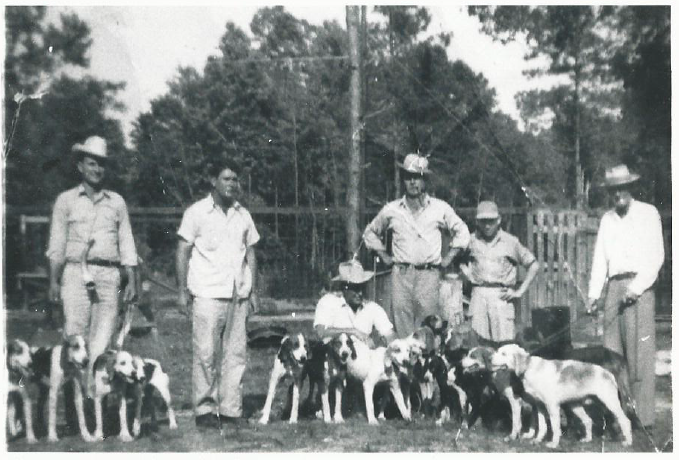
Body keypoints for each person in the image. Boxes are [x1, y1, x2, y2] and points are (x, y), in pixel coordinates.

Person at [47, 135, 138, 386]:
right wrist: (53, 281)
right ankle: (75, 399)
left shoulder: (116, 202)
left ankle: (95, 398)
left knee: (102, 339)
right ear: (80, 166)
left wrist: (131, 279)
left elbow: (127, 242)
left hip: (108, 275)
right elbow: (57, 245)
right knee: (75, 336)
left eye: (101, 164)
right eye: (92, 163)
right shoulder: (65, 201)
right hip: (75, 273)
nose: (97, 169)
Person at [176, 159, 260, 429]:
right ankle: (205, 411)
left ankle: (231, 411)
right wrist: (181, 291)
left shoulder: (243, 215)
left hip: (238, 294)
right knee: (206, 354)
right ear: (213, 181)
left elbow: (250, 252)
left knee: (236, 355)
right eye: (226, 179)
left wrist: (253, 289)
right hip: (207, 294)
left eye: (235, 179)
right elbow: (182, 251)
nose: (232, 184)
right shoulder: (196, 213)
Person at [587, 165, 664, 430]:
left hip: (640, 288)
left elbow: (656, 256)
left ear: (630, 188)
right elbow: (600, 260)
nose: (617, 194)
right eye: (612, 190)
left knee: (639, 354)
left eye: (621, 188)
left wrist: (637, 287)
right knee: (612, 353)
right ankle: (617, 414)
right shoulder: (607, 219)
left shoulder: (648, 213)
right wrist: (594, 294)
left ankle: (643, 418)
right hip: (614, 288)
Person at [363, 153, 470, 338]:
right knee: (402, 322)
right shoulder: (392, 209)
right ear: (403, 180)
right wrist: (384, 255)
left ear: (425, 180)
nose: (413, 182)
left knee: (428, 327)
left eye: (417, 177)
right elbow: (370, 233)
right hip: (401, 274)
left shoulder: (440, 208)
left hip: (428, 275)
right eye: (408, 177)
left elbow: (463, 232)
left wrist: (448, 258)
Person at [464, 201, 539, 343]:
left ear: (498, 220)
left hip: (501, 297)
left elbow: (533, 265)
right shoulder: (470, 241)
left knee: (505, 346)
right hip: (478, 296)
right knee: (477, 345)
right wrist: (467, 275)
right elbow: (457, 260)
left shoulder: (510, 242)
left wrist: (519, 292)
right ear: (477, 222)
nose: (487, 226)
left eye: (491, 221)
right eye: (483, 221)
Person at [314, 259, 396, 347]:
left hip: (364, 354)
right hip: (336, 354)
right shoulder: (328, 302)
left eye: (362, 288)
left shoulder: (371, 307)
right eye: (356, 288)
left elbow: (390, 335)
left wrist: (391, 345)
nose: (360, 293)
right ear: (344, 288)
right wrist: (353, 331)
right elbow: (321, 332)